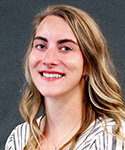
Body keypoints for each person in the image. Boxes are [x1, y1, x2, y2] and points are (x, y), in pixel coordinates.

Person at [5, 4, 125, 150]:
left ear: (88, 64)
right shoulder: (19, 138)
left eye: (65, 48)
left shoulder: (113, 138)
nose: (49, 60)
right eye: (41, 46)